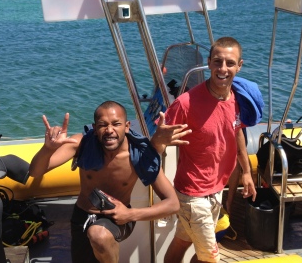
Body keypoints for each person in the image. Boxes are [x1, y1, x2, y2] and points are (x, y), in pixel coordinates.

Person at [29, 100, 191, 263]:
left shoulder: (139, 154)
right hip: (82, 215)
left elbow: (173, 204)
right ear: (94, 128)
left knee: (98, 234)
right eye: (102, 125)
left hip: (119, 218)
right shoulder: (81, 144)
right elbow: (35, 172)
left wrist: (129, 214)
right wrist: (48, 148)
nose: (109, 130)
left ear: (126, 126)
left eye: (116, 124)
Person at [161, 36, 259, 263]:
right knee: (210, 258)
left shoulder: (237, 98)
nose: (223, 69)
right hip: (193, 195)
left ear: (239, 65)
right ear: (209, 63)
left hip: (216, 189)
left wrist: (246, 171)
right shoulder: (186, 103)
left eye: (230, 63)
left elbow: (237, 132)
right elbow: (159, 140)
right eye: (217, 62)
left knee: (182, 242)